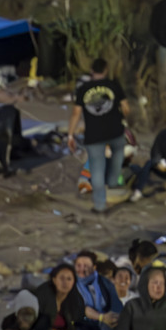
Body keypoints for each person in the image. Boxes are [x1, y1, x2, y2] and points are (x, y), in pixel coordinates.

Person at [67, 58, 130, 214]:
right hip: (115, 130)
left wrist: (70, 135)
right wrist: (125, 119)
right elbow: (126, 107)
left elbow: (76, 113)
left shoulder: (83, 89)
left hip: (94, 135)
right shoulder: (114, 85)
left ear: (91, 71)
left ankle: (100, 205)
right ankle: (113, 184)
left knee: (96, 169)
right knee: (118, 155)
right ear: (106, 70)